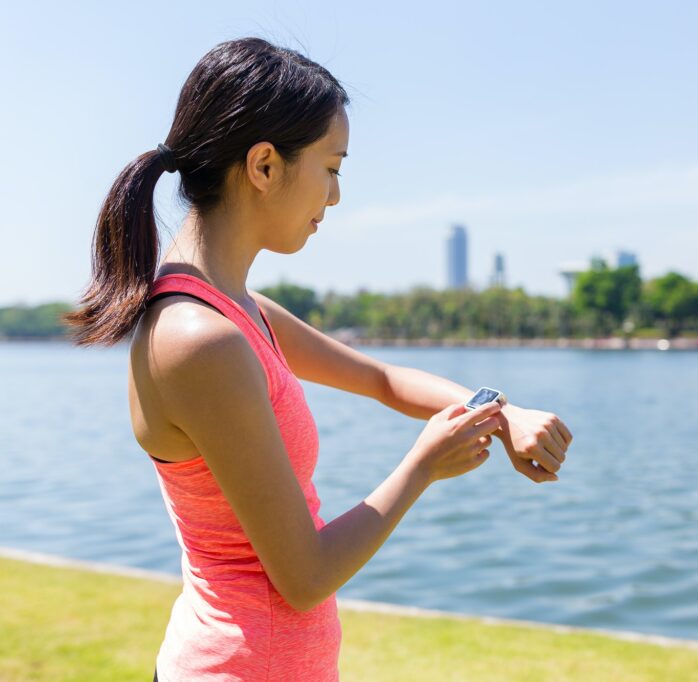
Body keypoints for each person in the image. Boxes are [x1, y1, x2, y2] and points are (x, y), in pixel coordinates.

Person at [63, 36, 572, 681]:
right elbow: (303, 577)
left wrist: (505, 412)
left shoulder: (239, 310)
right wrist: (420, 467)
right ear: (265, 166)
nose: (334, 197)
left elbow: (381, 377)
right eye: (332, 168)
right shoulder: (199, 340)